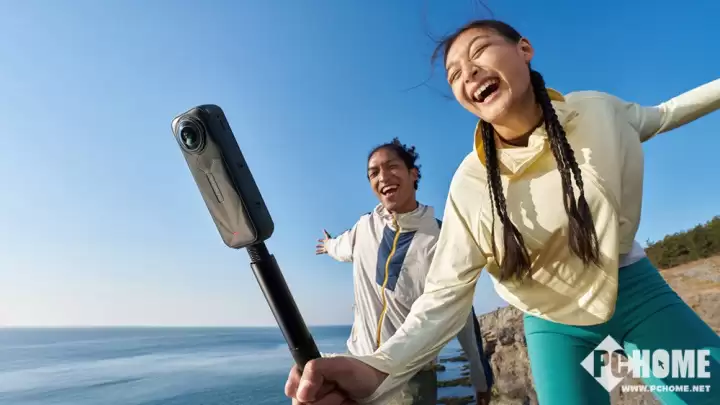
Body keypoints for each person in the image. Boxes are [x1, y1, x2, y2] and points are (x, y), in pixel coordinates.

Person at [285, 19, 720, 405]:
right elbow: (444, 296)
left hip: (636, 292)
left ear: (524, 49)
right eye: (455, 75)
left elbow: (665, 114)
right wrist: (376, 368)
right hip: (555, 325)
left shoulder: (596, 111)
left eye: (479, 52)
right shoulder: (470, 184)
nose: (468, 73)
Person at [314, 138, 494, 405]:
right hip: (358, 368)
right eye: (373, 173)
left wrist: (480, 378)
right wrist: (328, 245)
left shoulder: (441, 239)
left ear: (414, 174)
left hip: (411, 379)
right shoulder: (364, 229)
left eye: (392, 166)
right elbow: (341, 247)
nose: (383, 177)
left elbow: (461, 314)